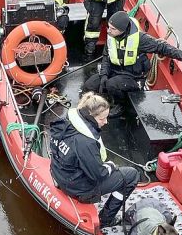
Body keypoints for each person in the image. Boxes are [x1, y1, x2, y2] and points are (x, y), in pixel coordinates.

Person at [49, 92, 140, 227]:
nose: (106, 122)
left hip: (60, 175)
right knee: (132, 175)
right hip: (79, 189)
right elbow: (98, 174)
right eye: (102, 119)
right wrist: (110, 165)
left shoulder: (65, 122)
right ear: (91, 117)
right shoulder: (86, 143)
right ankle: (106, 220)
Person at [82, 11, 182, 116]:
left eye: (112, 29)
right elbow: (106, 57)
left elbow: (162, 47)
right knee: (90, 85)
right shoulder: (111, 36)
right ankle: (108, 95)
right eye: (109, 27)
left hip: (133, 77)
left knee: (112, 84)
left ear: (122, 30)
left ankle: (121, 106)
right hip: (115, 71)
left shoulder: (140, 39)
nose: (108, 31)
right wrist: (104, 75)